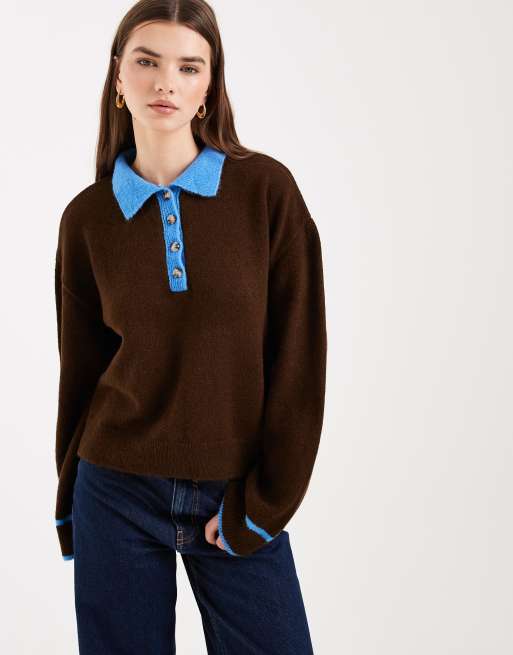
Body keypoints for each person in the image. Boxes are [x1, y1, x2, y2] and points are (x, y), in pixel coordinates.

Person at [53, 0, 327, 652]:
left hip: (234, 491)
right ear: (118, 76)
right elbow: (80, 373)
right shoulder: (87, 219)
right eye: (147, 62)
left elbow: (298, 359)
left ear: (210, 84)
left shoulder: (266, 192)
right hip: (114, 491)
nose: (165, 83)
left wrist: (265, 506)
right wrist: (69, 505)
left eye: (188, 67)